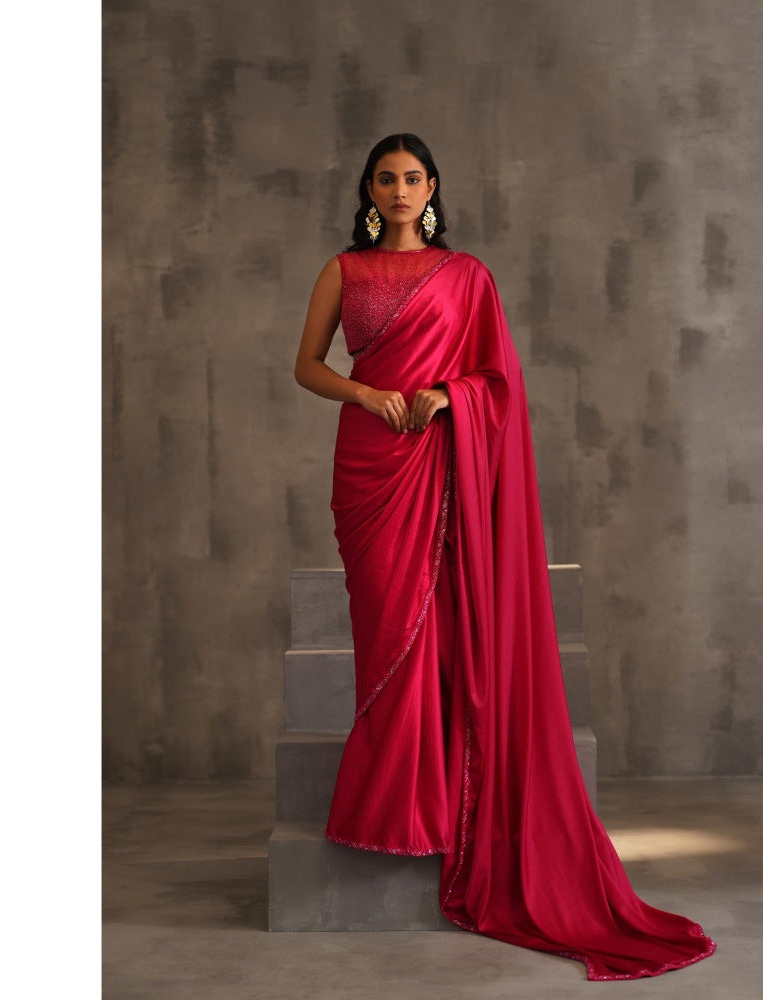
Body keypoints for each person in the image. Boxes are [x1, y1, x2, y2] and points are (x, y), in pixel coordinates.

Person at [293, 133, 717, 981]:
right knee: (386, 631)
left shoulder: (468, 277)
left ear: (433, 188)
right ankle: (389, 808)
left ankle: (432, 807)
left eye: (414, 178)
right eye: (387, 178)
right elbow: (306, 367)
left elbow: (500, 379)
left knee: (442, 631)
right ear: (369, 190)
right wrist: (368, 393)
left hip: (442, 460)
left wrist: (446, 395)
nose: (401, 190)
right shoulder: (343, 270)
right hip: (371, 466)